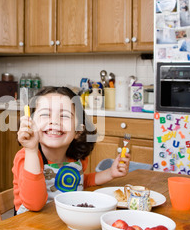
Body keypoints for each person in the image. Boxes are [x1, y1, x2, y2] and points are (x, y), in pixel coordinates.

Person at [12, 86, 130, 215]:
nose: (54, 121)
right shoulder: (27, 157)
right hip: (30, 228)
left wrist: (110, 173)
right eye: (45, 114)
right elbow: (34, 204)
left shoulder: (76, 157)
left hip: (65, 222)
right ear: (31, 124)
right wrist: (31, 150)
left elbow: (79, 181)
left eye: (64, 116)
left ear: (79, 130)